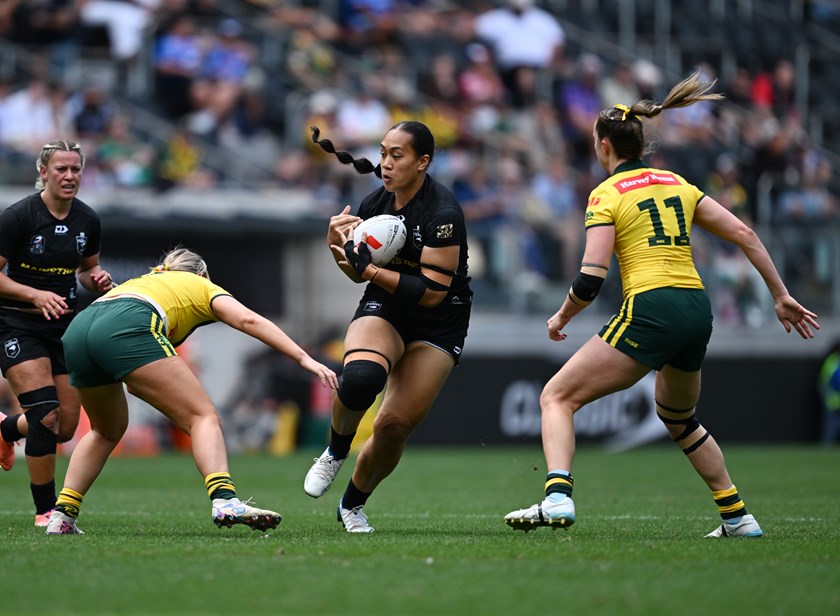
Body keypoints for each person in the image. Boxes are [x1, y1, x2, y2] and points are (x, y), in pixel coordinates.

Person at [503, 71, 819, 538]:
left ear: (604, 146)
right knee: (678, 416)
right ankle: (737, 516)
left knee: (556, 396)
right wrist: (781, 295)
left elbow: (590, 278)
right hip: (695, 309)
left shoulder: (606, 193)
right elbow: (745, 233)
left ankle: (557, 497)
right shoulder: (677, 182)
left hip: (652, 307)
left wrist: (562, 316)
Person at [45, 247, 339, 535]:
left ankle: (62, 516)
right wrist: (304, 358)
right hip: (126, 326)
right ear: (201, 273)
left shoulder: (145, 282)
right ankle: (225, 501)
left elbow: (135, 378)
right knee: (203, 417)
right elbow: (248, 319)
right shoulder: (201, 285)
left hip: (79, 330)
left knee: (104, 431)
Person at [305, 122, 472, 532]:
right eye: (383, 153)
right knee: (360, 379)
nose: (386, 163)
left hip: (440, 320)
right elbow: (356, 274)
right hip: (387, 308)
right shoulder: (374, 202)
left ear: (423, 162)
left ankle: (351, 505)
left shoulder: (443, 213)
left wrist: (371, 271)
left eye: (397, 155)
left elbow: (432, 293)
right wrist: (335, 245)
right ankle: (335, 451)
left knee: (393, 426)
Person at [0, 140, 113, 526]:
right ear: (43, 172)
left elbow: (86, 269)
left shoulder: (87, 220)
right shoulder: (18, 217)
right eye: (61, 169)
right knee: (45, 416)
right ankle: (45, 510)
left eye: (75, 169)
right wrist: (34, 294)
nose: (69, 176)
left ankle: (5, 429)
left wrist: (96, 279)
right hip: (17, 324)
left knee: (64, 427)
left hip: (64, 327)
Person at [818, 339, 840, 446]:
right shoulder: (833, 361)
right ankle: (827, 445)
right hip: (833, 398)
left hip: (834, 398)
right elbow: (833, 380)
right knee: (831, 423)